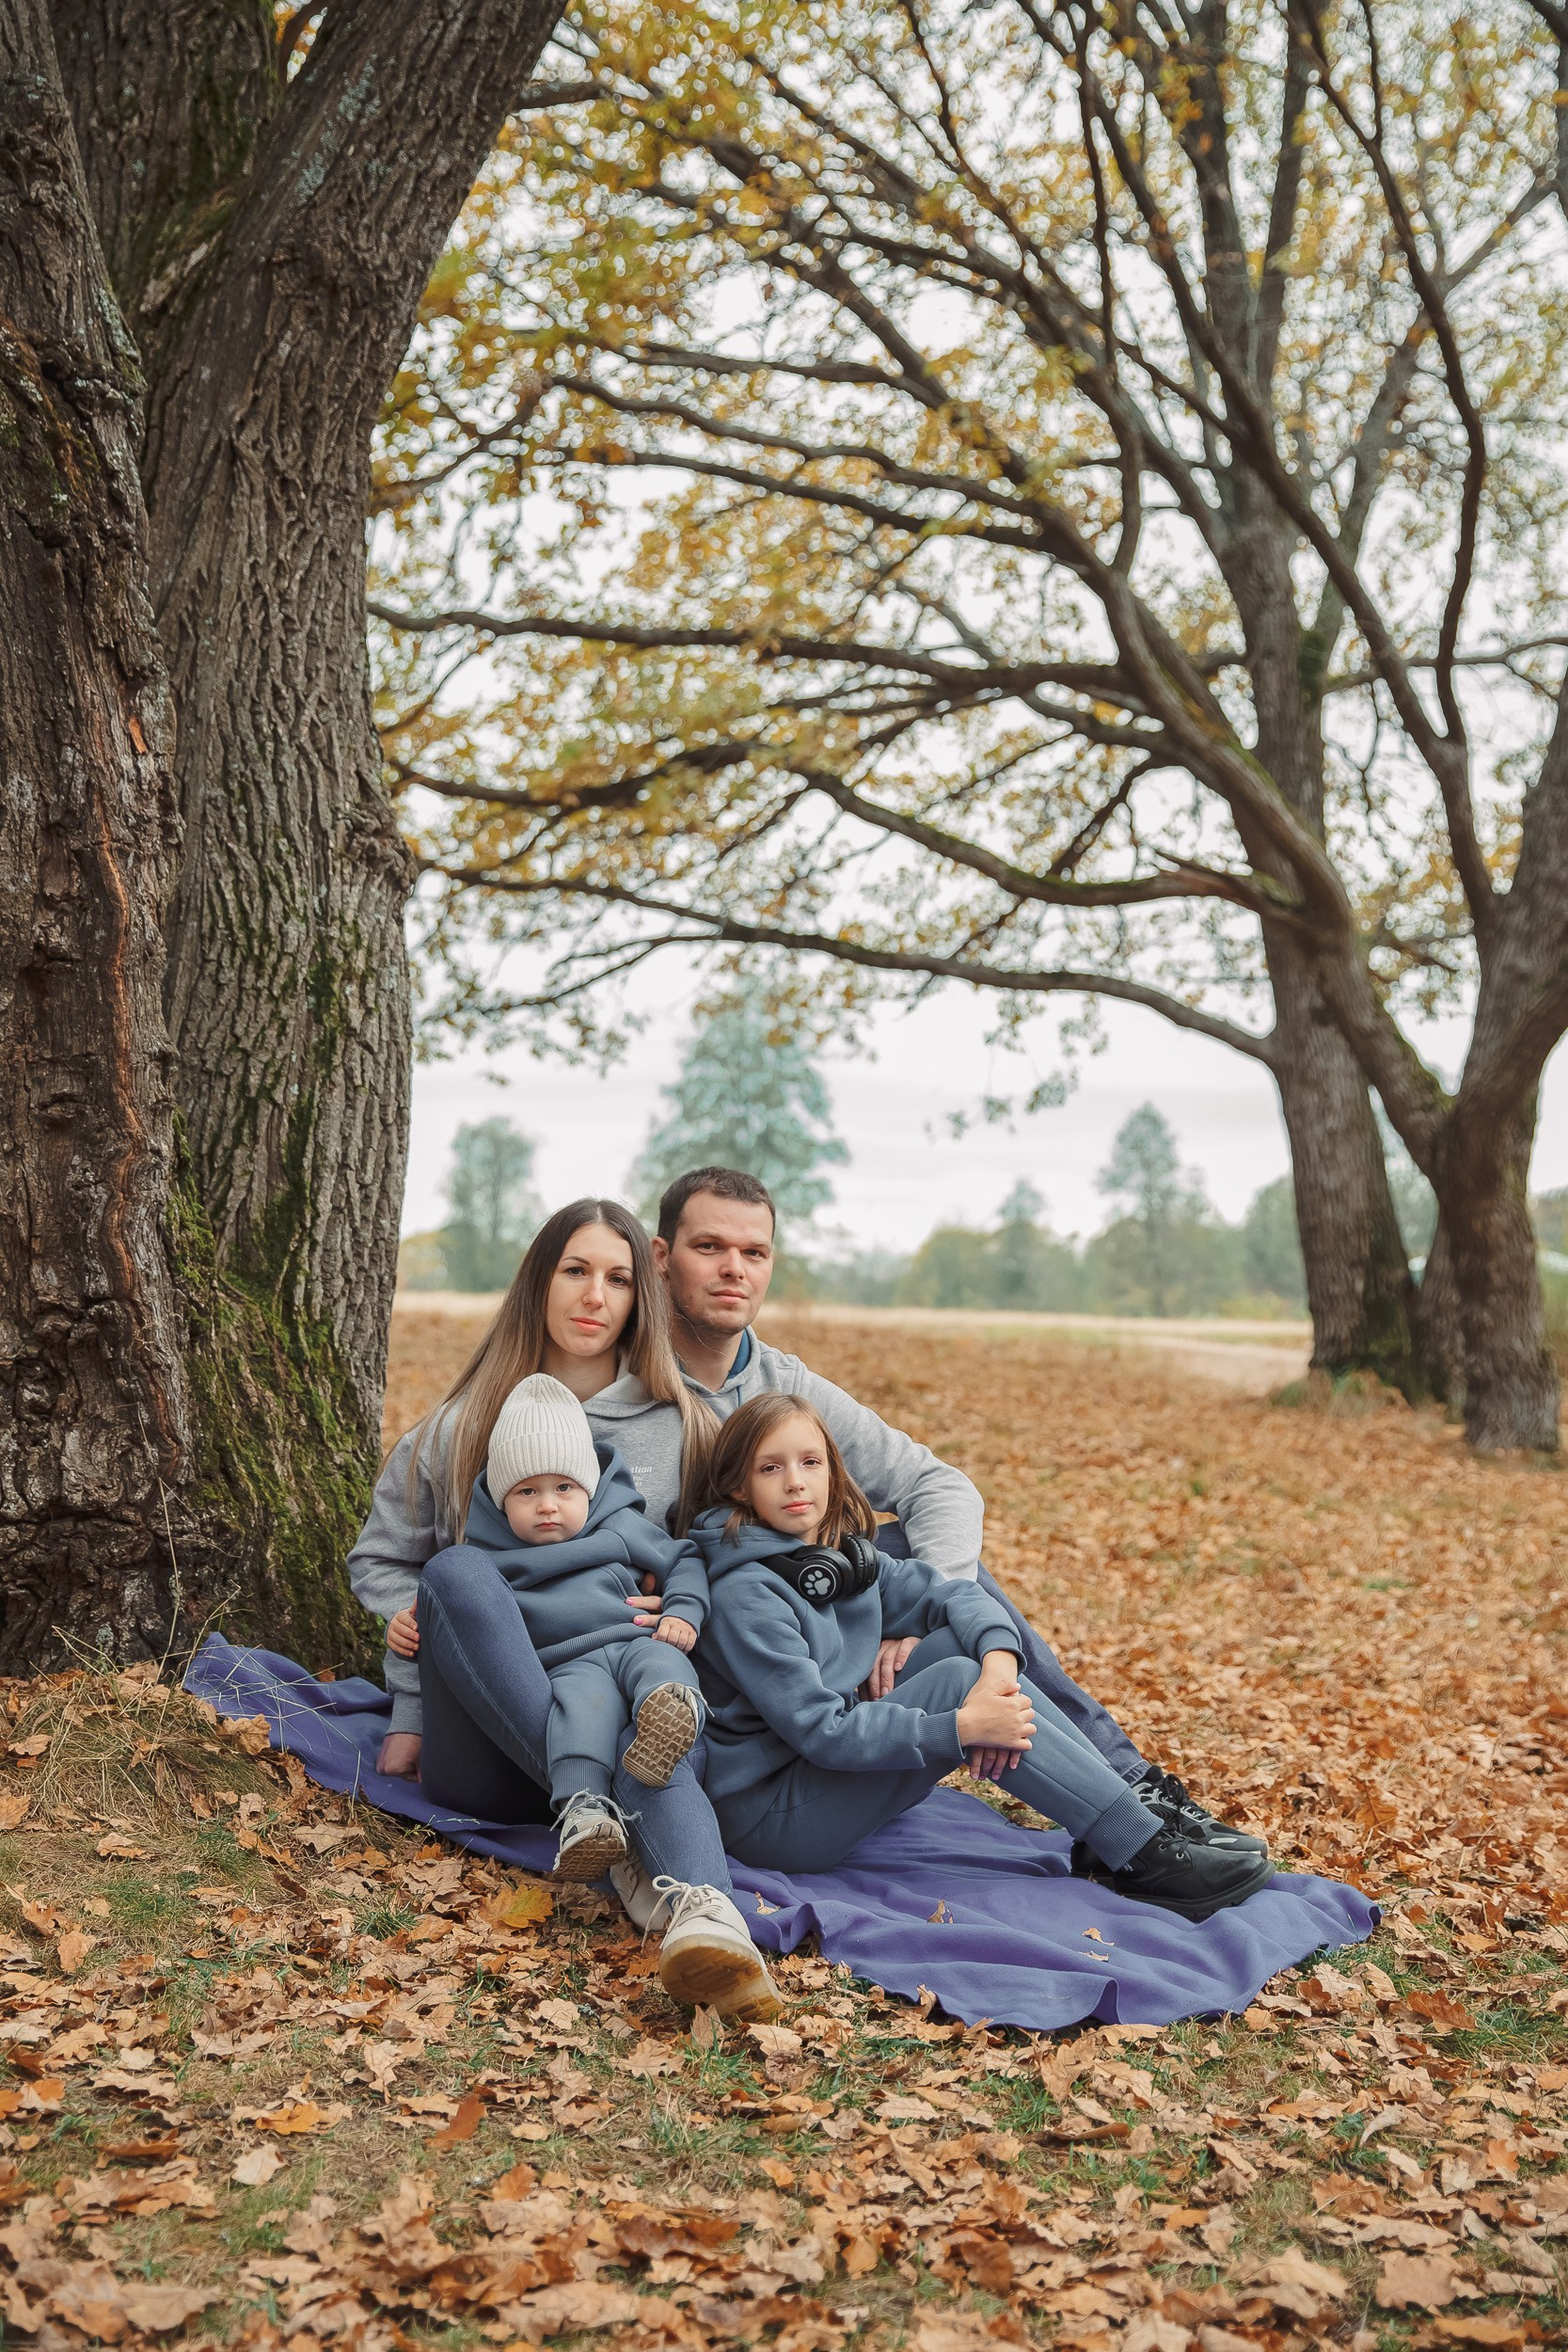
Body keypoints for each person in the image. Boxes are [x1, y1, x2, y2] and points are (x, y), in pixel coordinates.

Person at [613, 1165, 1264, 1860]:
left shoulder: (786, 1385)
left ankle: (1129, 1795)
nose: (732, 1270)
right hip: (719, 1668)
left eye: (754, 1253)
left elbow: (939, 1486)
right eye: (709, 1248)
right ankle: (1128, 1826)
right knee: (944, 1645)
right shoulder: (616, 1399)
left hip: (805, 1631)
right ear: (660, 1258)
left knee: (952, 1600)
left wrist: (909, 1619)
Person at [349, 1199, 782, 2022]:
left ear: (639, 1296)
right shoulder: (459, 1425)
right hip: (491, 1736)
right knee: (459, 1572)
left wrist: (679, 1615)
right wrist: (411, 1630)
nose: (595, 1296)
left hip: (628, 1707)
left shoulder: (683, 1425)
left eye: (618, 1278)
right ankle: (631, 1842)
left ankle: (710, 1921)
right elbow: (382, 1557)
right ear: (538, 1284)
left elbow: (715, 1556)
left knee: (650, 1719)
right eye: (574, 1271)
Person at [689, 1392, 1273, 1916]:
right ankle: (1141, 1848)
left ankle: (1114, 1833)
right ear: (740, 1488)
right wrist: (962, 1726)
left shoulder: (838, 1558)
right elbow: (822, 1731)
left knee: (957, 1651)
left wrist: (997, 1671)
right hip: (771, 1816)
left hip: (818, 1777)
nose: (796, 1482)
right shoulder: (747, 1593)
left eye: (810, 1462)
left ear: (833, 1473)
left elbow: (959, 1597)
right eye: (772, 1468)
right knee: (952, 1683)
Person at [386, 1372, 709, 1880]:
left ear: (589, 1486)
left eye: (564, 1487)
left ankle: (670, 1715)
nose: (547, 1505)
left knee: (663, 1663)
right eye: (527, 1491)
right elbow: (467, 1634)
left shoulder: (620, 1526)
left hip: (634, 1639)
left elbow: (684, 1560)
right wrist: (406, 1634)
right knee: (582, 1710)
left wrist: (682, 1611)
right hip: (565, 1669)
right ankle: (586, 1810)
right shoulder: (488, 1557)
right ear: (500, 1499)